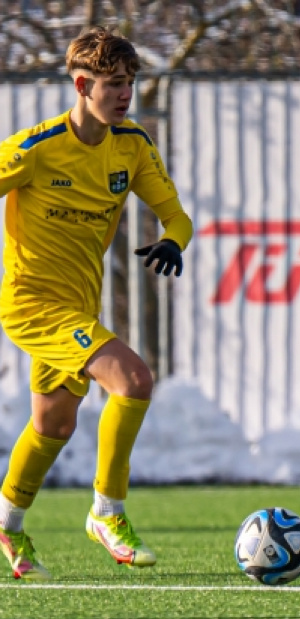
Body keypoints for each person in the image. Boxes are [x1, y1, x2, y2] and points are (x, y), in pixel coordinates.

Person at [0, 26, 193, 581]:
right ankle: (107, 513)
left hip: (79, 306)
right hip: (32, 303)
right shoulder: (34, 149)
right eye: (113, 83)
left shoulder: (131, 146)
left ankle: (7, 521)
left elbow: (176, 215)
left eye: (130, 82)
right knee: (133, 380)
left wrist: (173, 239)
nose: (125, 93)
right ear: (82, 84)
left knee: (54, 424)